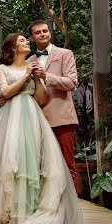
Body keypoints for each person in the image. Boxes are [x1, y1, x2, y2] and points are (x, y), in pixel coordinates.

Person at [0, 33, 85, 224]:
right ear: (12, 48)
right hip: (10, 119)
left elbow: (41, 98)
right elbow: (6, 92)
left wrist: (36, 79)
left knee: (32, 163)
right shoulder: (2, 69)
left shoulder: (33, 67)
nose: (27, 42)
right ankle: (6, 214)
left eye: (26, 40)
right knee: (11, 162)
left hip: (32, 117)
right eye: (22, 41)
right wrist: (26, 74)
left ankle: (28, 212)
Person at [25, 20, 83, 194]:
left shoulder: (65, 54)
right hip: (38, 120)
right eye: (38, 32)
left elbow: (72, 82)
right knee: (42, 166)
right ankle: (47, 207)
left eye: (45, 31)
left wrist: (46, 76)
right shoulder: (29, 61)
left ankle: (70, 209)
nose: (43, 34)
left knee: (67, 164)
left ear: (50, 33)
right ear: (32, 37)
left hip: (62, 118)